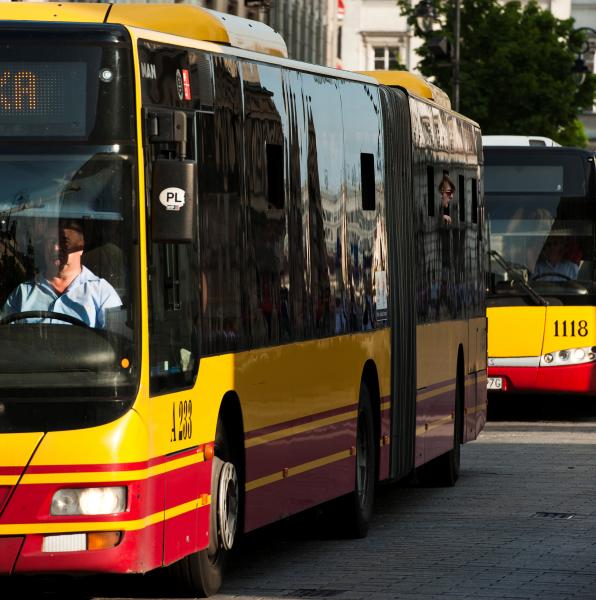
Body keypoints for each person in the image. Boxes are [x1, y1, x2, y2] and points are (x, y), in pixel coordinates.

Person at [0, 218, 121, 328]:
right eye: (50, 241)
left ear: (81, 247)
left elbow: (116, 343)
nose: (55, 248)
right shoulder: (22, 294)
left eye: (64, 241)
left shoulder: (102, 293)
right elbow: (6, 340)